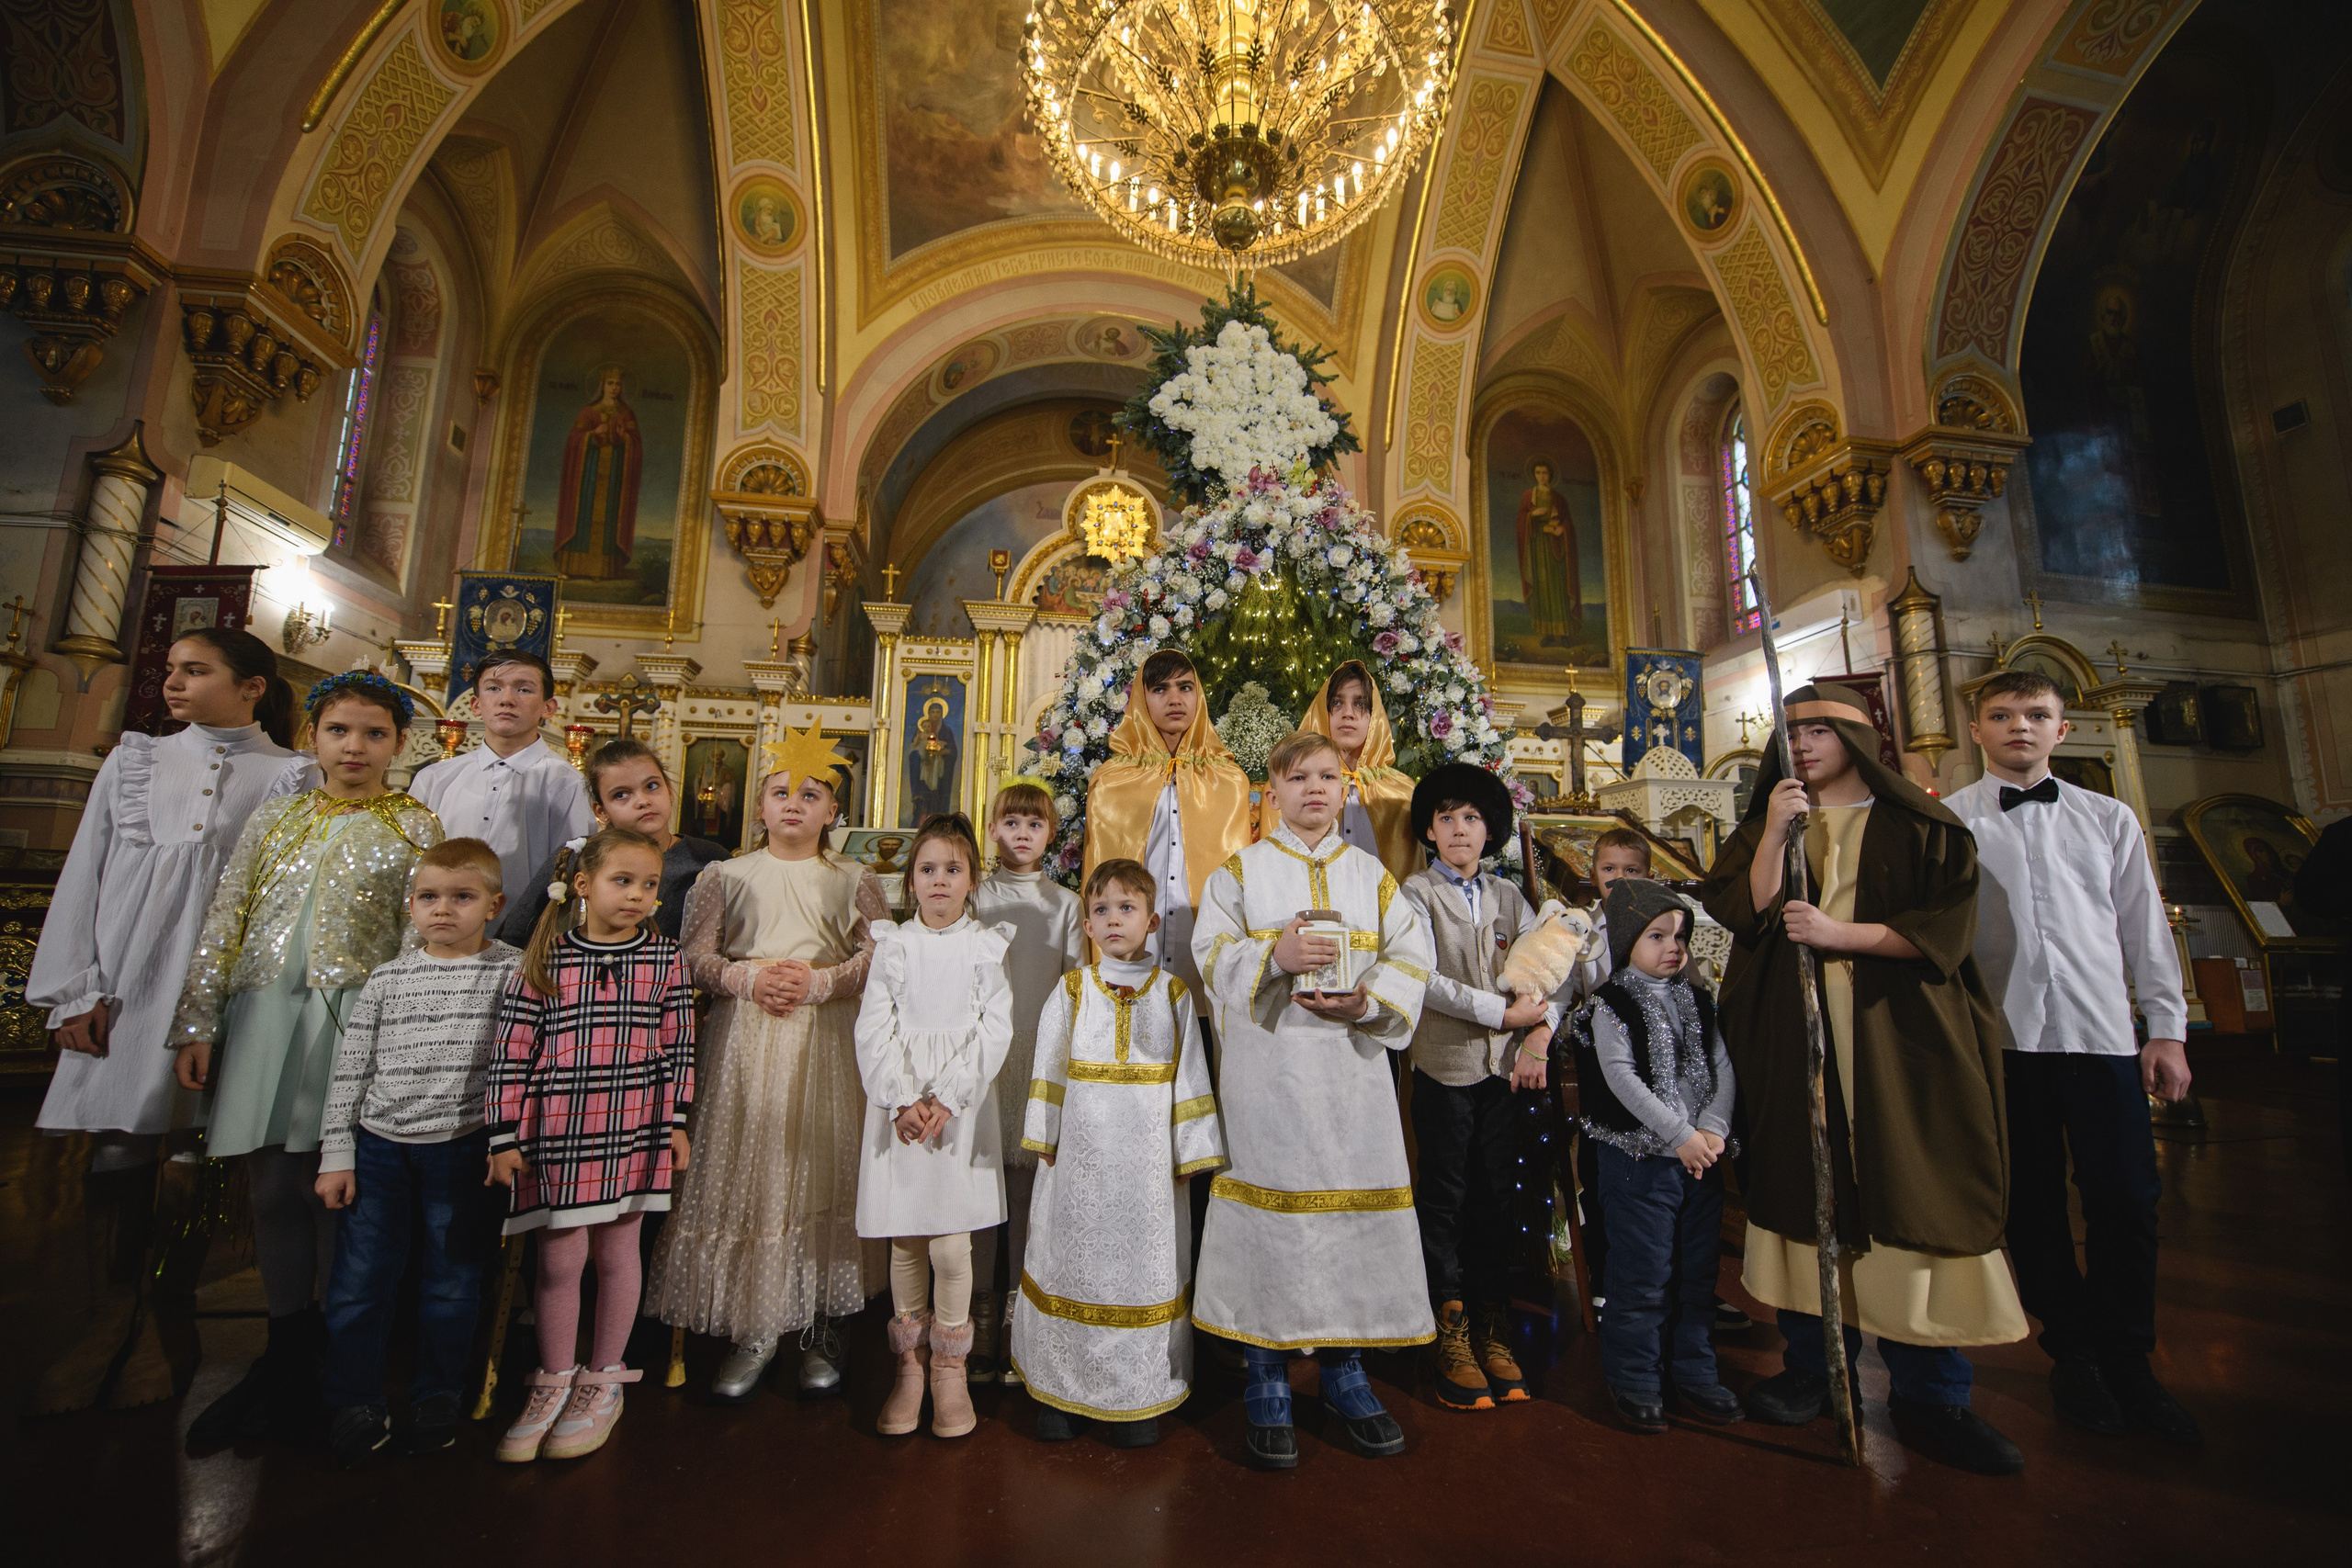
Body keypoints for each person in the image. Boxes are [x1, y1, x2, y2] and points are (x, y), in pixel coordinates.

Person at [1702, 682, 2029, 1476]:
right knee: (1807, 1185)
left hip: (1897, 1038)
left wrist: (1841, 933)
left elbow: (1947, 928)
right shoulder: (1766, 825)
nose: (1803, 743)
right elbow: (1747, 914)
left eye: (1820, 729)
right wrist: (1778, 831)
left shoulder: (1922, 823)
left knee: (1916, 1189)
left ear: (1860, 737)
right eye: (1793, 730)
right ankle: (1815, 1366)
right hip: (1796, 1038)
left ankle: (1933, 1391)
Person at [27, 627, 305, 1413]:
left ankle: (164, 1312)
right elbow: (87, 870)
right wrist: (73, 988)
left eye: (197, 671)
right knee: (120, 1137)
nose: (174, 684)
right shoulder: (136, 760)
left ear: (252, 686)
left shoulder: (291, 774)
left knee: (193, 1140)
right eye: (173, 671)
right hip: (127, 975)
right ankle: (105, 1315)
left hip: (220, 990)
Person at [172, 671, 442, 1448]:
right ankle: (281, 1341)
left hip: (352, 1020)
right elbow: (228, 914)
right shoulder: (276, 818)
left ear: (398, 743)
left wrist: (397, 1037)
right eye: (339, 731)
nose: (355, 747)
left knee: (335, 1183)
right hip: (264, 1012)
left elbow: (417, 934)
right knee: (267, 1185)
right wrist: (199, 1023)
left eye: (374, 733)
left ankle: (333, 1346)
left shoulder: (415, 825)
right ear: (312, 737)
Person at [1949, 671, 2201, 1445]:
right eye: (2001, 714)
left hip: (2101, 1039)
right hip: (2005, 1044)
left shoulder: (2108, 817)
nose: (2019, 726)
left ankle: (2131, 1356)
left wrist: (2166, 1027)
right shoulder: (1951, 824)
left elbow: (2144, 929)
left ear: (2062, 730)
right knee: (2031, 1208)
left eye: (2036, 714)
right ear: (1979, 730)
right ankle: (2075, 1353)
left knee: (2127, 1199)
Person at [1191, 730, 1435, 1470]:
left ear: (1347, 788)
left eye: (1328, 776)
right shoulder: (1239, 873)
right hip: (1270, 1082)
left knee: (1350, 1220)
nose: (1315, 789)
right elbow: (1208, 953)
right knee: (1273, 1220)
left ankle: (1344, 1368)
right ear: (1272, 790)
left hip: (1353, 1084)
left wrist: (1368, 1000)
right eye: (1298, 778)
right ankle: (1265, 1372)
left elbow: (1412, 957)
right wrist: (1276, 956)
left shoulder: (1373, 876)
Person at [648, 724, 889, 1404]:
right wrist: (746, 980)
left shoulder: (854, 878)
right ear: (759, 805)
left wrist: (821, 983)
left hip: (825, 1037)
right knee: (754, 1172)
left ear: (832, 812)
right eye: (780, 791)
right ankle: (753, 1326)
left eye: (810, 794)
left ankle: (822, 1320)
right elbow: (694, 955)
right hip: (747, 1039)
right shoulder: (725, 874)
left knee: (818, 1166)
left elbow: (879, 956)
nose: (793, 804)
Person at [488, 827, 696, 1463]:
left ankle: (603, 1377)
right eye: (622, 881)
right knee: (557, 1258)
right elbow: (512, 1050)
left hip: (636, 1122)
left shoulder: (665, 959)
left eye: (650, 885)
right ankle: (553, 1379)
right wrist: (503, 1133)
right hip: (559, 1128)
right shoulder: (545, 957)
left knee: (619, 1251)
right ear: (583, 884)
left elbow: (680, 1045)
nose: (638, 895)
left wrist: (678, 1120)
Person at [313, 838, 520, 1465]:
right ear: (410, 905)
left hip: (462, 1148)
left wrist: (509, 1138)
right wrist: (336, 1152)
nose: (443, 910)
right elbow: (351, 1067)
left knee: (453, 1282)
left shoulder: (512, 971)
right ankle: (353, 1398)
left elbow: (524, 1062)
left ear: (494, 903)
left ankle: (437, 1394)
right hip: (380, 1146)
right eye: (429, 897)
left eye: (462, 897)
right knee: (360, 1281)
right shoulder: (389, 976)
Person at [1012, 858, 1225, 1446]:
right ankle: (1063, 1391)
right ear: (1085, 924)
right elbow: (1048, 1066)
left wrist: (1190, 1154)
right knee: (1069, 1259)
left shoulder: (1174, 994)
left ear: (1152, 921)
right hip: (1079, 1160)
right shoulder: (1073, 988)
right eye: (1101, 909)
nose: (1113, 919)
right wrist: (1045, 1138)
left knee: (1144, 1268)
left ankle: (1140, 1392)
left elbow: (1191, 1079)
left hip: (1150, 1170)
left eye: (1126, 908)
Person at [853, 813, 1015, 1439]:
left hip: (958, 1109)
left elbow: (993, 1027)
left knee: (952, 1243)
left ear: (972, 879)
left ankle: (950, 1368)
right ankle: (909, 1368)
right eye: (928, 869)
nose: (940, 880)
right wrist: (898, 1097)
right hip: (901, 1109)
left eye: (953, 869)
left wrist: (947, 1095)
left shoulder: (983, 945)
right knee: (906, 1241)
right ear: (911, 880)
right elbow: (874, 1025)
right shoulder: (894, 944)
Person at [1396, 762, 1548, 1411]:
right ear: (1429, 829)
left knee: (1495, 1193)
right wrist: (1500, 1013)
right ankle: (1447, 1324)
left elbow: (1552, 966)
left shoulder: (1511, 897)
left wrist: (1538, 1032)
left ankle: (1491, 1321)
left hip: (1505, 1070)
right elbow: (1423, 977)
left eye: (1474, 818)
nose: (1461, 829)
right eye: (1448, 817)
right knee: (1446, 1193)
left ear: (1492, 831)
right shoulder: (1414, 893)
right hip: (1445, 1066)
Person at [1574, 878, 1741, 1434]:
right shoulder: (1611, 1001)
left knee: (1696, 1274)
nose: (1674, 946)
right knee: (1642, 1275)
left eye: (1680, 936)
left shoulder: (1697, 998)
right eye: (1658, 936)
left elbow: (1720, 1065)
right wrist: (1680, 1134)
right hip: (1639, 1161)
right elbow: (1620, 1076)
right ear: (1627, 943)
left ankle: (1693, 1370)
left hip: (1700, 1159)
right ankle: (1635, 1376)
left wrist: (1713, 1129)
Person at [967, 778, 1089, 1385]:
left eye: (1033, 824)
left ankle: (1019, 1321)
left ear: (1051, 833)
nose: (1021, 833)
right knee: (979, 1194)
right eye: (1010, 822)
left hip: (1037, 1057)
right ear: (993, 828)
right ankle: (977, 1324)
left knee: (1024, 1193)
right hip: (981, 1062)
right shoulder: (974, 898)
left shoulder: (1065, 904)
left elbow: (1073, 988)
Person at [1082, 649, 1253, 1023]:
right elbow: (1098, 878)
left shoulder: (1228, 781)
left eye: (1185, 687)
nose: (1175, 698)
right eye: (1160, 689)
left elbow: (1240, 880)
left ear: (1199, 697)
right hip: (1133, 954)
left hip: (1205, 952)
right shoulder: (1114, 780)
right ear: (1143, 700)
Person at [496, 737, 729, 947]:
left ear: (669, 791)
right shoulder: (578, 855)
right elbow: (514, 936)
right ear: (601, 810)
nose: (643, 801)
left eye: (651, 786)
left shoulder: (707, 858)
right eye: (621, 794)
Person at [411, 650, 596, 910]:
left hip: (524, 938)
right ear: (476, 705)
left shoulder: (568, 784)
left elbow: (572, 874)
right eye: (494, 688)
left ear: (549, 707)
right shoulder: (434, 779)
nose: (506, 700)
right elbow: (412, 865)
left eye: (524, 690)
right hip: (437, 931)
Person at [1293, 660, 1420, 881]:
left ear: (1374, 716)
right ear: (1323, 714)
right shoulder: (1295, 787)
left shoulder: (1403, 794)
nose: (1348, 714)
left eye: (1360, 704)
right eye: (1337, 703)